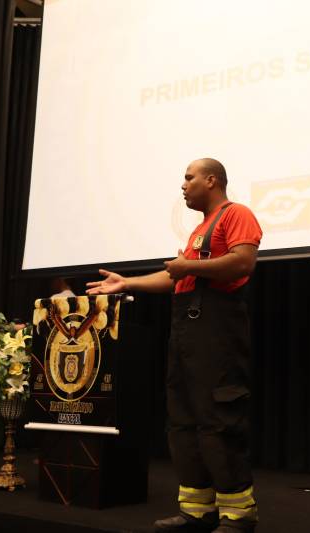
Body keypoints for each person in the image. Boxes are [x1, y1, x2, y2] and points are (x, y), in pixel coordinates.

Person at [87, 158, 262, 533]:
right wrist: (127, 283)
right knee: (182, 421)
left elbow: (243, 263)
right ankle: (198, 510)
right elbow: (176, 279)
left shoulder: (236, 214)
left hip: (218, 329)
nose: (183, 185)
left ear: (211, 180)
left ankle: (238, 515)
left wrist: (189, 267)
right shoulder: (199, 229)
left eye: (189, 177)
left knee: (218, 418)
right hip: (187, 331)